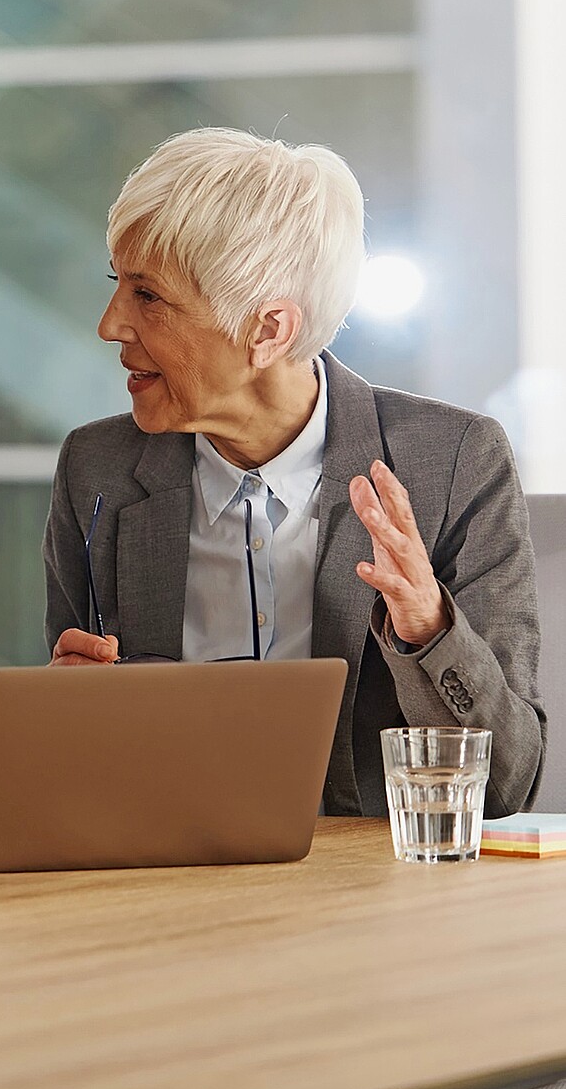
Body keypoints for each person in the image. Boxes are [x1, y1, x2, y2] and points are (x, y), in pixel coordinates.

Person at [43, 127, 544, 817]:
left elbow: (508, 782)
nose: (110, 325)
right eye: (117, 284)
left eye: (148, 296)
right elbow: (73, 773)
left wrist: (429, 627)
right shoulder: (96, 469)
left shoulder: (456, 463)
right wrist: (65, 711)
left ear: (269, 330)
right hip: (166, 870)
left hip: (370, 878)